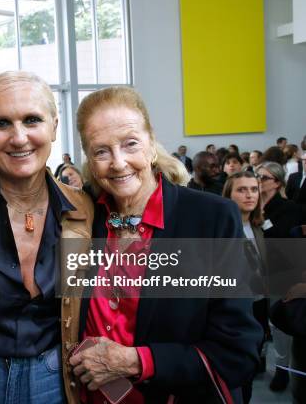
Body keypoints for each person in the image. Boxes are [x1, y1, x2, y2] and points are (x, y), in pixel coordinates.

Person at [70, 86, 261, 402]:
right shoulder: (82, 217)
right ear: (88, 158)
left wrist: (133, 361)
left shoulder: (208, 218)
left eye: (130, 143)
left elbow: (238, 352)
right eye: (101, 151)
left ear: (150, 142)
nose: (118, 163)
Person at [0, 71, 94, 404]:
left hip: (59, 381)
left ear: (54, 125)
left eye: (32, 120)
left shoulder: (85, 210)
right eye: (2, 124)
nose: (19, 137)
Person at [255, 161, 305, 392]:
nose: (258, 180)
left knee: (278, 325)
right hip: (253, 271)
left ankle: (282, 369)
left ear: (276, 182)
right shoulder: (248, 203)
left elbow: (285, 241)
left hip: (281, 273)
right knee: (256, 320)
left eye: (263, 177)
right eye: (256, 175)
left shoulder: (290, 209)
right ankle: (257, 360)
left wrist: (262, 219)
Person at [222, 171, 270, 402]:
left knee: (251, 365)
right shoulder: (221, 231)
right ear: (228, 195)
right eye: (241, 190)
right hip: (234, 308)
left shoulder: (259, 227)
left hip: (259, 304)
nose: (250, 195)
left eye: (254, 189)